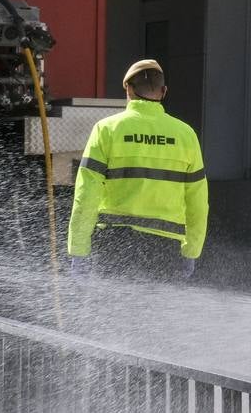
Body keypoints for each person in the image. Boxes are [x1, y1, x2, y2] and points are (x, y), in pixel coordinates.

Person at [66, 59, 207, 281]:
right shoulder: (186, 135)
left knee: (111, 313)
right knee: (158, 314)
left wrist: (79, 250)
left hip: (114, 244)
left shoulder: (107, 130)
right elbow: (198, 201)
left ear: (128, 89)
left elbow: (86, 195)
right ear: (164, 91)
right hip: (166, 248)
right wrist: (191, 251)